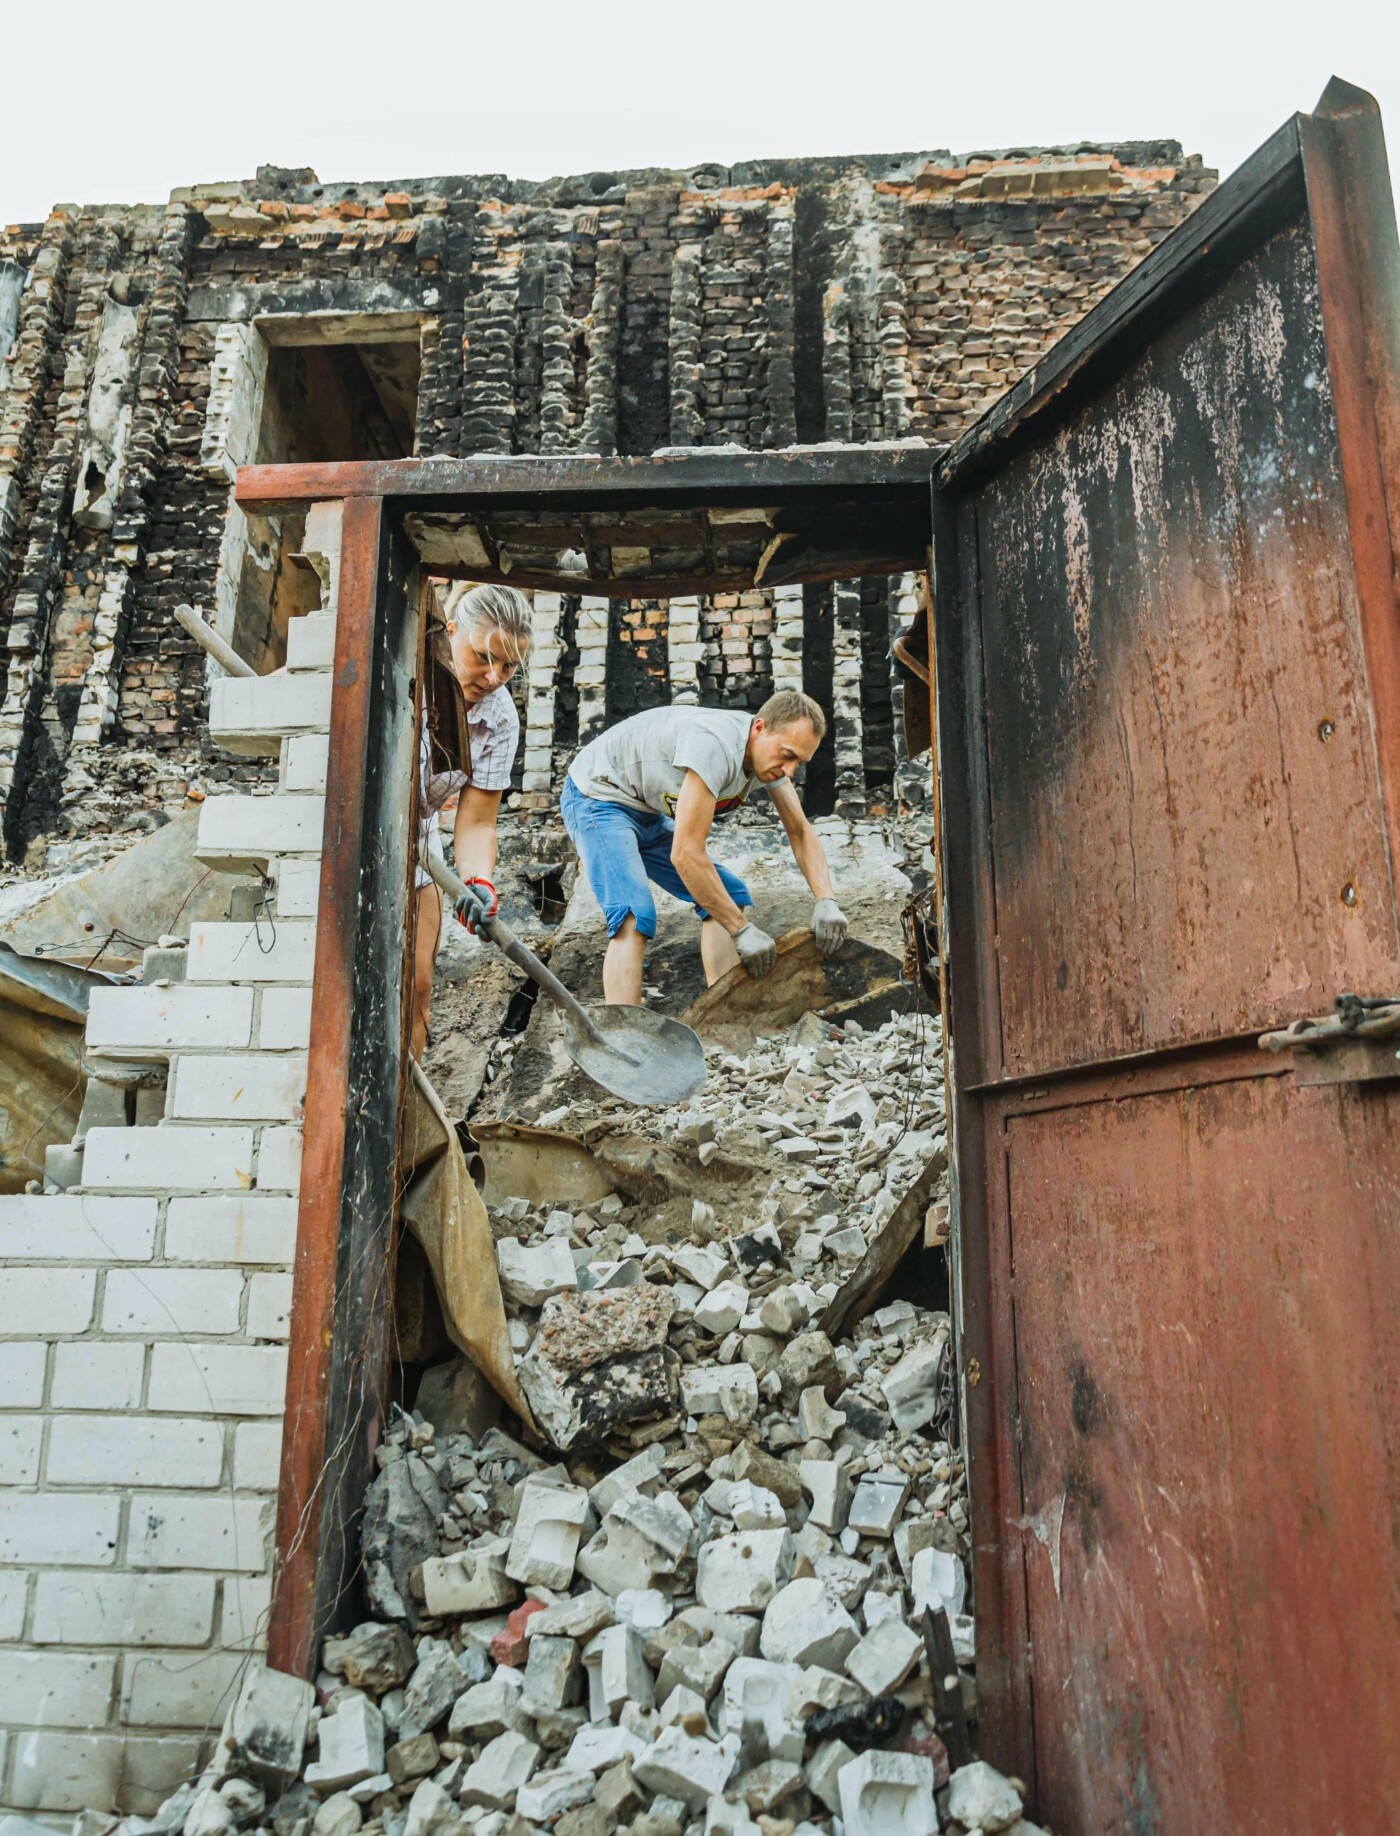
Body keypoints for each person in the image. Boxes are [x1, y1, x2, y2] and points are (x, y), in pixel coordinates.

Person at [560, 690, 849, 1005]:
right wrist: (741, 931)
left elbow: (800, 830)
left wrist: (826, 900)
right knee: (634, 913)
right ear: (759, 728)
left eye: (799, 761)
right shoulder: (716, 747)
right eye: (787, 755)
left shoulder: (768, 757)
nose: (790, 770)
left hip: (645, 811)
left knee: (731, 894)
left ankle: (723, 1013)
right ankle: (624, 1035)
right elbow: (685, 854)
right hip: (598, 796)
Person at [412, 582, 533, 1057]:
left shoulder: (500, 717)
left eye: (508, 666)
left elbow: (479, 820)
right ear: (451, 629)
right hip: (353, 827)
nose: (495, 676)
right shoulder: (409, 671)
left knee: (419, 981)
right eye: (484, 656)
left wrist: (477, 881)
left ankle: (409, 1110)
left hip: (421, 841)